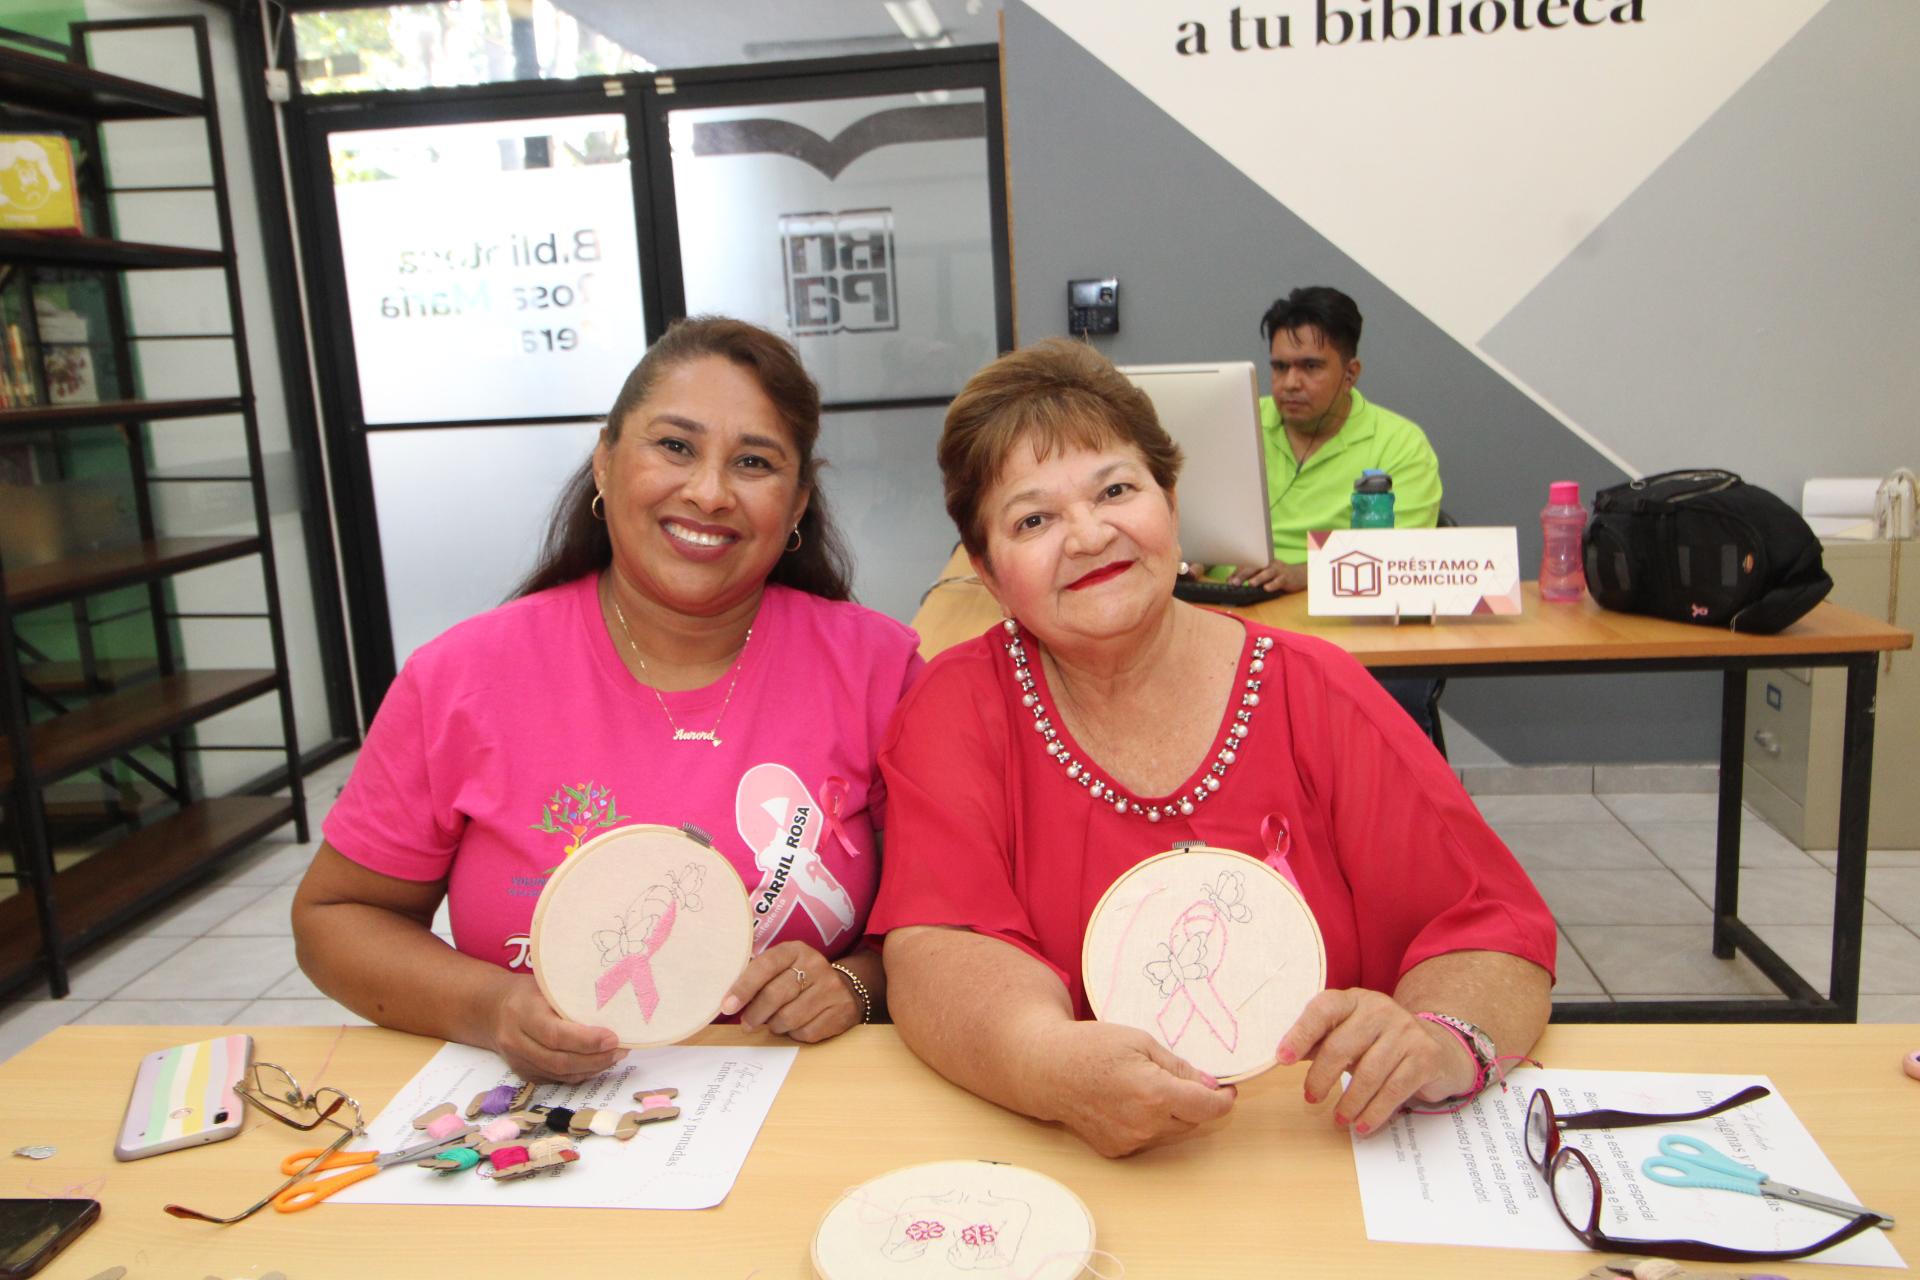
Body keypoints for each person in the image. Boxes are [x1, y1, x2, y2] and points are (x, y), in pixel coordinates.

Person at [870, 338, 1553, 1158]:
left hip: (1318, 1148)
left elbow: (1490, 925)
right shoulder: (954, 708)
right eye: (1034, 519)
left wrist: (1434, 1042)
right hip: (1061, 1158)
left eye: (1117, 489)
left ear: (1171, 500)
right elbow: (939, 946)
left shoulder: (1317, 690)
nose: (1088, 536)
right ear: (985, 567)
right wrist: (1045, 1064)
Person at [293, 316, 921, 1082]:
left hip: (803, 1109)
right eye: (676, 446)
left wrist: (857, 985)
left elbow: (948, 925)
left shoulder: (881, 671)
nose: (709, 491)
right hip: (552, 1128)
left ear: (795, 506)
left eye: (753, 462)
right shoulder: (461, 677)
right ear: (604, 460)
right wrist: (491, 1007)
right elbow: (336, 919)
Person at [1205, 285, 1442, 597]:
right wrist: (1189, 560)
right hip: (1229, 601)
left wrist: (1302, 574)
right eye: (1280, 367)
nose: (1290, 383)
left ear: (1350, 374)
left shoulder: (1401, 444)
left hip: (1339, 606)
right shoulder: (1234, 423)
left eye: (1310, 366)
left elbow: (1399, 560)